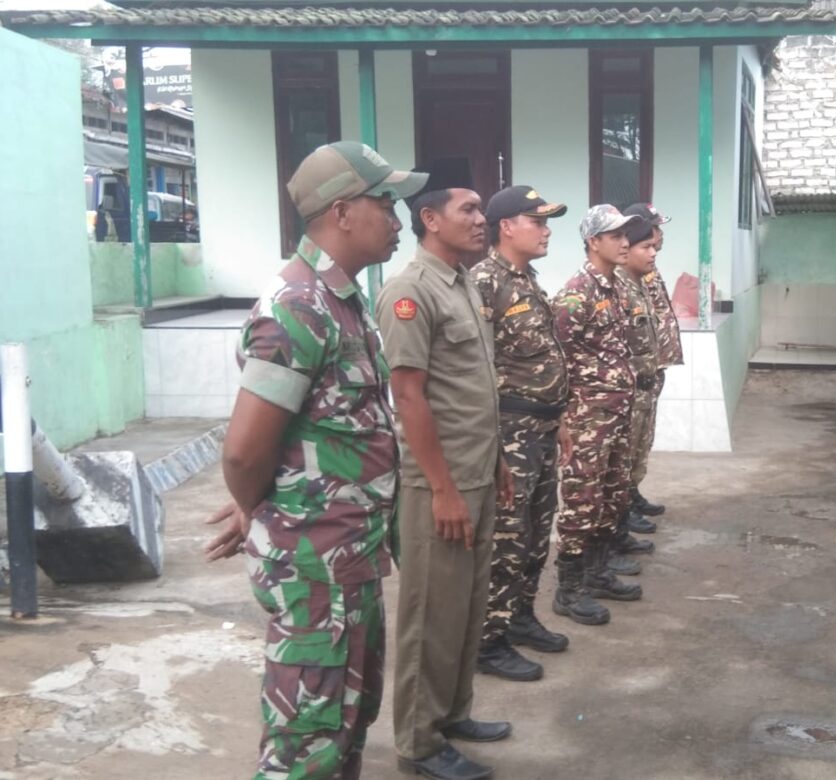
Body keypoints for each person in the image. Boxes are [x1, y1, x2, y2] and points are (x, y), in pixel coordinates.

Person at [205, 141, 426, 778]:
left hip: (348, 556)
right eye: (385, 202)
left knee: (347, 721)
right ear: (341, 212)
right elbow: (244, 450)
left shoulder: (341, 300)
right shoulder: (296, 306)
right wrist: (258, 507)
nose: (398, 219)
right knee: (307, 743)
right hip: (314, 567)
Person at [377, 158, 514, 780]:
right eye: (470, 209)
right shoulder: (410, 292)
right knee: (431, 615)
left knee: (466, 606)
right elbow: (409, 397)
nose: (482, 219)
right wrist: (441, 489)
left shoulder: (463, 284)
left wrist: (497, 459)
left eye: (482, 209)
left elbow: (473, 387)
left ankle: (453, 713)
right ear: (430, 219)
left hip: (476, 472)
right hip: (441, 483)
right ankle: (418, 743)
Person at [469, 186, 573, 682]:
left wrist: (562, 419)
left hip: (543, 426)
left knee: (534, 533)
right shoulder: (484, 282)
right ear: (507, 227)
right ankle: (488, 641)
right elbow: (477, 367)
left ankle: (520, 616)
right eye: (538, 221)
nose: (546, 230)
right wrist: (493, 446)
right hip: (511, 432)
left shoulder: (527, 280)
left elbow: (544, 358)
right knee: (506, 540)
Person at [551, 205, 645, 626]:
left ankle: (598, 572)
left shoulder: (615, 287)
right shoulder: (575, 294)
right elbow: (558, 361)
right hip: (587, 419)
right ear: (593, 242)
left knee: (612, 494)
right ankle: (569, 589)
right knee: (581, 501)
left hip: (617, 413)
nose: (625, 243)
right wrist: (565, 420)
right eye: (616, 236)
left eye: (627, 235)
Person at [622, 203, 681, 531]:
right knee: (629, 443)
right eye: (655, 228)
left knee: (643, 440)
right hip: (633, 375)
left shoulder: (648, 270)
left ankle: (632, 492)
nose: (660, 235)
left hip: (652, 368)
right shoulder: (624, 276)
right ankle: (623, 505)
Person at [608, 217, 661, 573]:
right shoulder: (617, 290)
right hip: (620, 398)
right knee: (617, 472)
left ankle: (621, 527)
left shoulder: (639, 285)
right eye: (647, 246)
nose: (653, 253)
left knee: (633, 464)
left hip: (642, 390)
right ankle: (611, 539)